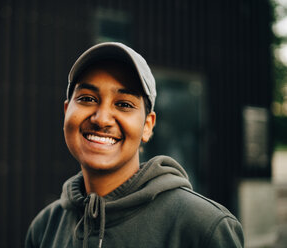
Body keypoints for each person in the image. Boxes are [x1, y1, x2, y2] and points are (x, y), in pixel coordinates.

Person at [25, 42, 244, 248]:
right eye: (87, 99)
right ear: (66, 112)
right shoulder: (45, 227)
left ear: (147, 126)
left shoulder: (204, 228)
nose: (101, 119)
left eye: (123, 104)